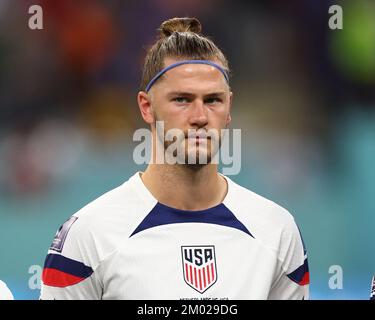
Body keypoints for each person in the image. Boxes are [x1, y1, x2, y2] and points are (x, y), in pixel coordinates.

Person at [40, 17, 309, 300]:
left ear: (229, 107)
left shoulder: (277, 231)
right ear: (146, 107)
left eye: (213, 100)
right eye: (181, 99)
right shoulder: (89, 236)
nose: (199, 117)